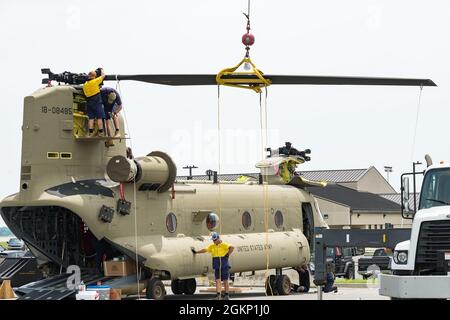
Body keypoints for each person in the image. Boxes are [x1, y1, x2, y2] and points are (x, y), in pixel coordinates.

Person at [192, 232, 234, 300]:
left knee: (225, 280)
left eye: (215, 240)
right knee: (218, 280)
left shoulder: (223, 244)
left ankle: (226, 295)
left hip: (224, 264)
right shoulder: (212, 246)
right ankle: (218, 295)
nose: (214, 241)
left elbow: (232, 247)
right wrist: (196, 252)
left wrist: (228, 254)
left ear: (218, 238)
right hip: (217, 264)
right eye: (213, 240)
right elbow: (205, 250)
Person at [83, 69, 106, 137]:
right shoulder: (95, 81)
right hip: (97, 102)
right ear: (94, 76)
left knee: (91, 118)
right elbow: (103, 76)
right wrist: (101, 70)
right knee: (99, 117)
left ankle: (90, 133)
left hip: (89, 102)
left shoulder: (85, 85)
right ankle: (101, 132)